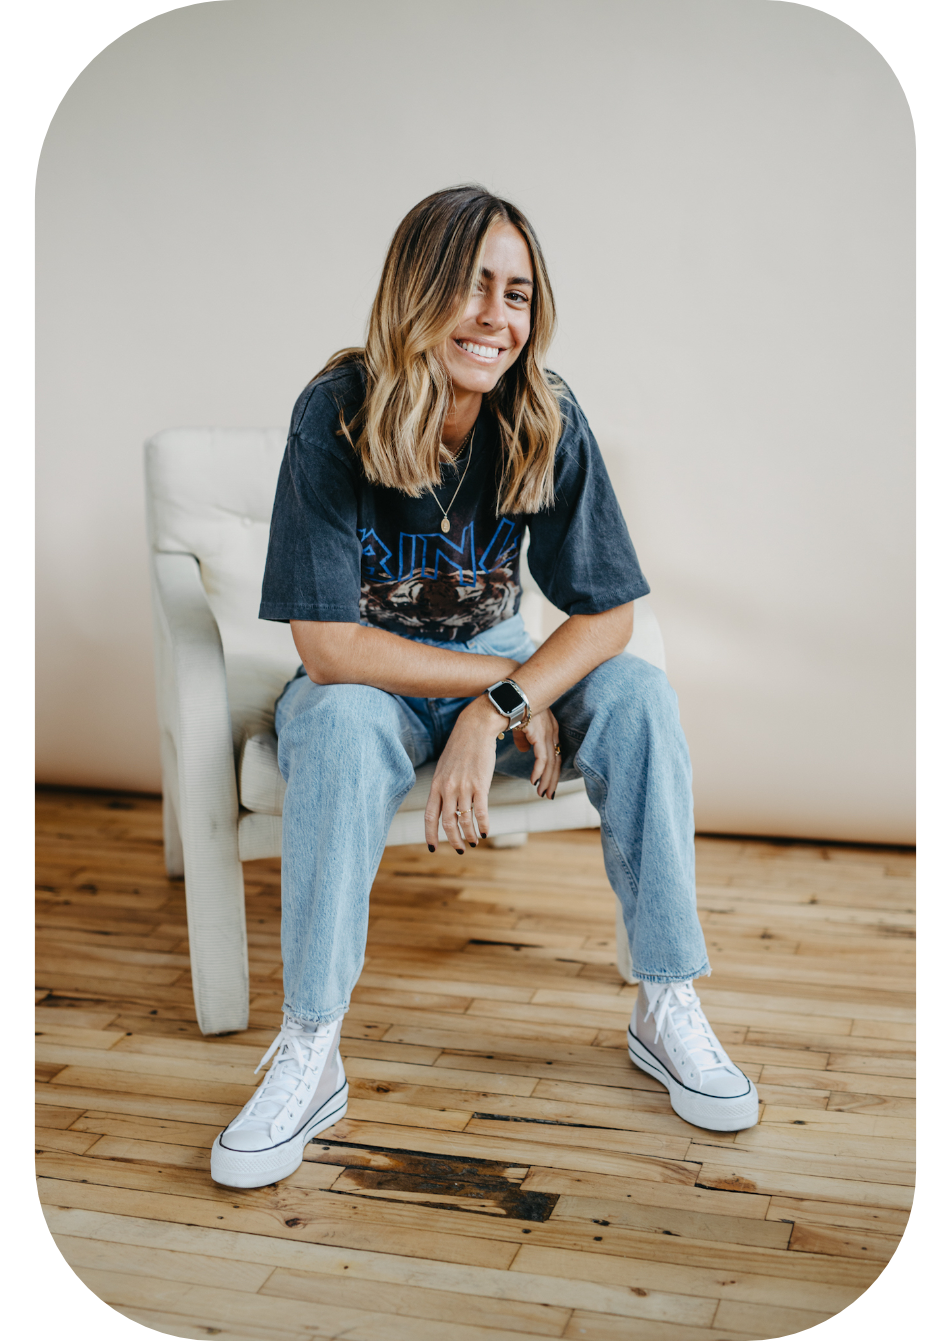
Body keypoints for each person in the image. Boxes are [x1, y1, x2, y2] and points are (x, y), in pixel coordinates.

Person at [210, 186, 759, 1190]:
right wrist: (505, 685)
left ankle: (666, 1001)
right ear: (417, 288)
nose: (496, 317)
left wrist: (498, 706)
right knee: (336, 725)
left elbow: (608, 616)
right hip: (370, 682)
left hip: (498, 671)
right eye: (472, 286)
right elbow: (327, 647)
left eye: (516, 294)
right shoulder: (335, 408)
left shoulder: (545, 410)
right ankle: (311, 1046)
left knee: (637, 694)